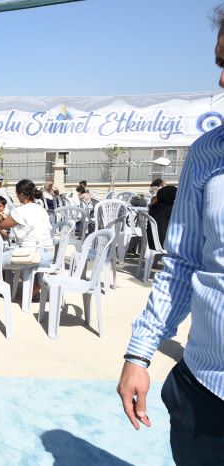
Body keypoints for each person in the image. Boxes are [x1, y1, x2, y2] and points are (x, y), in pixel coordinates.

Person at [116, 9, 224, 465]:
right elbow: (183, 262)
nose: (222, 80)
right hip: (205, 390)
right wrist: (140, 353)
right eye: (221, 63)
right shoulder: (208, 153)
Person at [0, 179, 54, 298]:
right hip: (48, 255)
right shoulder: (41, 209)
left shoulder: (20, 211)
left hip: (32, 255)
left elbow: (1, 225)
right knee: (18, 262)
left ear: (21, 194)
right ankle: (34, 285)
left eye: (17, 194)